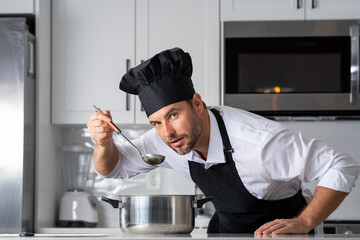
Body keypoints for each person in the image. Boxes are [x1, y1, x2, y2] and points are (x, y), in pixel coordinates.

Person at [87, 47, 360, 236]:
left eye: (173, 115)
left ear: (197, 104)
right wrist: (103, 143)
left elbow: (342, 166)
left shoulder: (259, 142)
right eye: (156, 122)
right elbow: (112, 168)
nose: (167, 132)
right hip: (227, 236)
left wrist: (304, 221)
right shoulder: (167, 139)